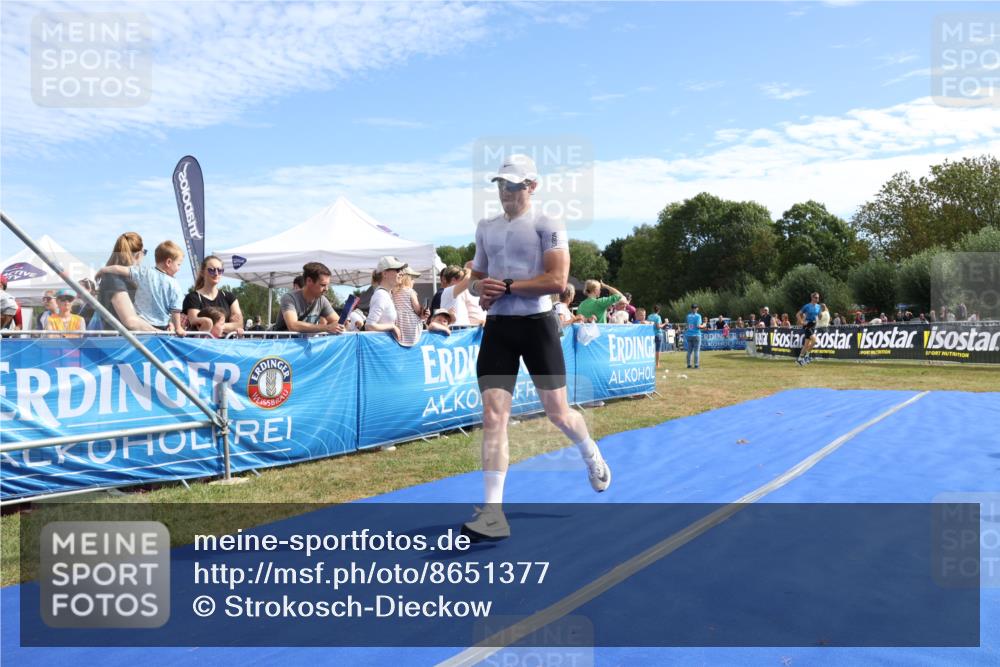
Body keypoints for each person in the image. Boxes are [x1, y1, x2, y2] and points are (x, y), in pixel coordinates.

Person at [462, 153, 611, 541]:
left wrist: (508, 286)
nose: (506, 193)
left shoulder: (548, 222)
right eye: (500, 185)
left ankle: (590, 452)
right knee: (494, 416)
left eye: (513, 186)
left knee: (558, 413)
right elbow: (476, 276)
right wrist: (481, 288)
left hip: (537, 325)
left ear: (532, 186)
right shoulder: (486, 227)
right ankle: (493, 514)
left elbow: (558, 280)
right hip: (498, 328)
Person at [96, 240, 187, 334]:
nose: (179, 268)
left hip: (142, 322)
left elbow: (119, 269)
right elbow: (176, 309)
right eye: (178, 264)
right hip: (161, 325)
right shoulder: (174, 284)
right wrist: (178, 327)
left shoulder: (144, 272)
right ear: (168, 262)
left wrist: (103, 270)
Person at [97, 232, 157, 332]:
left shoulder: (119, 278)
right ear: (139, 254)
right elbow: (131, 321)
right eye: (144, 252)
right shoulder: (113, 279)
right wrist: (160, 332)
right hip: (121, 344)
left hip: (125, 343)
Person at [272, 262, 343, 334]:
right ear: (309, 281)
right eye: (323, 285)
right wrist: (327, 327)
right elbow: (293, 325)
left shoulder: (322, 300)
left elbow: (337, 322)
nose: (327, 289)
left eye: (327, 285)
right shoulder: (289, 298)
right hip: (285, 344)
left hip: (306, 344)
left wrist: (337, 326)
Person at [183, 255, 244, 336]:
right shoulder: (193, 297)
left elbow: (239, 325)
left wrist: (212, 325)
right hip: (202, 345)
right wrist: (227, 326)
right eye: (211, 270)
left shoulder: (229, 297)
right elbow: (196, 323)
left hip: (226, 345)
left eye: (220, 270)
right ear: (202, 272)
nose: (216, 273)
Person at [366, 256, 404, 340]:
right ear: (385, 274)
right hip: (381, 347)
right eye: (397, 270)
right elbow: (369, 325)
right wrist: (392, 327)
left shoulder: (386, 294)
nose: (402, 273)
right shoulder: (381, 295)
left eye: (401, 270)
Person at [393, 266, 424, 347]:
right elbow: (417, 310)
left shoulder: (393, 292)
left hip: (398, 323)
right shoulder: (410, 291)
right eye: (412, 279)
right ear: (407, 279)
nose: (414, 281)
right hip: (410, 323)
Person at [796, 291, 822, 366]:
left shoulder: (818, 306)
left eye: (818, 298)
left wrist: (821, 314)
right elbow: (798, 314)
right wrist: (801, 322)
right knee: (814, 340)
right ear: (812, 298)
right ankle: (807, 356)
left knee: (806, 344)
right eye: (816, 297)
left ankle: (799, 359)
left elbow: (819, 317)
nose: (817, 299)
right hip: (807, 325)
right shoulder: (807, 306)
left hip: (813, 325)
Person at [685, 303, 704, 369]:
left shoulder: (688, 316)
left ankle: (688, 364)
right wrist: (703, 325)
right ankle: (696, 365)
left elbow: (687, 325)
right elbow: (698, 326)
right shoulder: (698, 316)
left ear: (691, 308)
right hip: (696, 335)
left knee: (689, 351)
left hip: (689, 335)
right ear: (697, 308)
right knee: (696, 351)